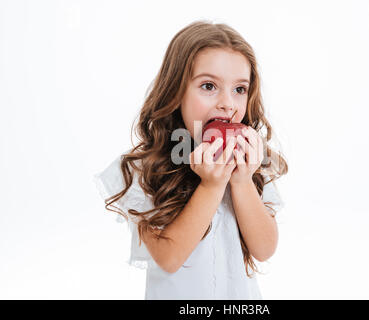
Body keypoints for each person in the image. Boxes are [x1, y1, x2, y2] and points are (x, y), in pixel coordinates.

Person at [93, 20, 288, 300]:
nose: (228, 103)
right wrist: (210, 187)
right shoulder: (145, 170)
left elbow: (264, 249)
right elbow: (169, 258)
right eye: (209, 86)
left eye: (239, 89)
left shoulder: (251, 163)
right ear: (176, 92)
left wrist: (242, 183)